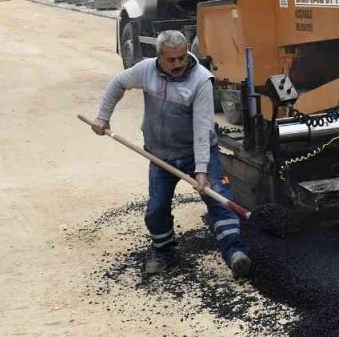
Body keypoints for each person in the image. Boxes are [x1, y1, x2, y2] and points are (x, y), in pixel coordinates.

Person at [90, 30, 251, 277]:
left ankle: (235, 253)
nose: (178, 64)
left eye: (182, 58)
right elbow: (118, 83)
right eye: (171, 60)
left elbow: (201, 128)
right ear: (159, 57)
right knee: (156, 209)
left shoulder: (201, 80)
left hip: (196, 151)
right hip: (161, 156)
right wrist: (103, 116)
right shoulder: (145, 70)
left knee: (218, 199)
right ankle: (164, 252)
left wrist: (201, 170)